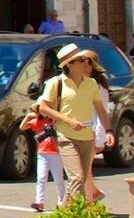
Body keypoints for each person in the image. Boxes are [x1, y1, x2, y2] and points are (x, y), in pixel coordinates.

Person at [33, 44, 115, 204]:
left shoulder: (91, 83)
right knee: (77, 177)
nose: (85, 63)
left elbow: (101, 110)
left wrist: (109, 131)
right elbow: (43, 108)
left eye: (85, 59)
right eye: (80, 60)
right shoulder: (56, 83)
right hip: (66, 137)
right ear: (69, 64)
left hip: (87, 138)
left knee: (81, 179)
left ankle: (63, 213)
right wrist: (68, 121)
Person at [20, 112, 65, 211]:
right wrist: (28, 116)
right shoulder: (38, 121)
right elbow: (22, 127)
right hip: (42, 152)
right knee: (41, 178)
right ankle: (39, 201)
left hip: (55, 153)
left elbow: (58, 140)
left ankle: (61, 201)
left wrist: (52, 134)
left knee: (58, 179)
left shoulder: (56, 121)